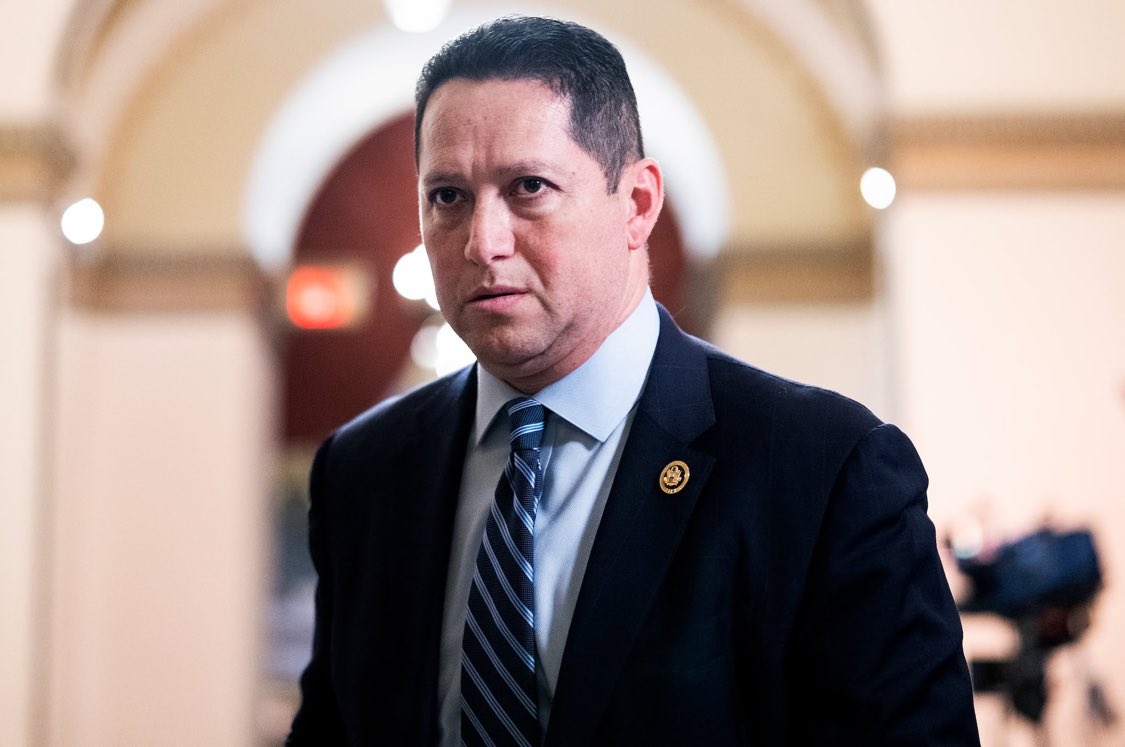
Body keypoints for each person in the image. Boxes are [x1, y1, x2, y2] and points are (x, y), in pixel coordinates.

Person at [287, 15, 980, 746]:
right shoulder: (364, 472)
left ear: (638, 205)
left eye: (528, 187)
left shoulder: (823, 470)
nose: (482, 243)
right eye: (448, 197)